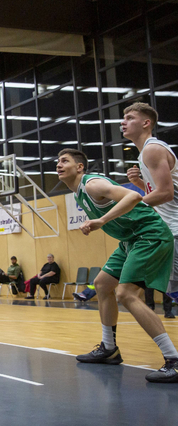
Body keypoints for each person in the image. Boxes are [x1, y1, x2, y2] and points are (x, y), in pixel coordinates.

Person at [58, 148, 178, 382]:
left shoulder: (92, 184)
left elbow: (133, 196)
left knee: (126, 294)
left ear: (80, 167)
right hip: (130, 240)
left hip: (149, 235)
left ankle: (173, 360)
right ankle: (109, 348)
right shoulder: (79, 193)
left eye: (65, 161)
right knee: (102, 284)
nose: (59, 165)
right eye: (58, 162)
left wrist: (102, 220)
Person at [123, 101, 178, 303]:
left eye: (130, 118)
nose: (123, 122)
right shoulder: (144, 153)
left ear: (146, 123)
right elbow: (161, 192)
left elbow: (166, 193)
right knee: (172, 291)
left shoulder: (152, 149)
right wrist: (139, 183)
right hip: (169, 227)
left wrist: (130, 207)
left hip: (175, 226)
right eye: (123, 118)